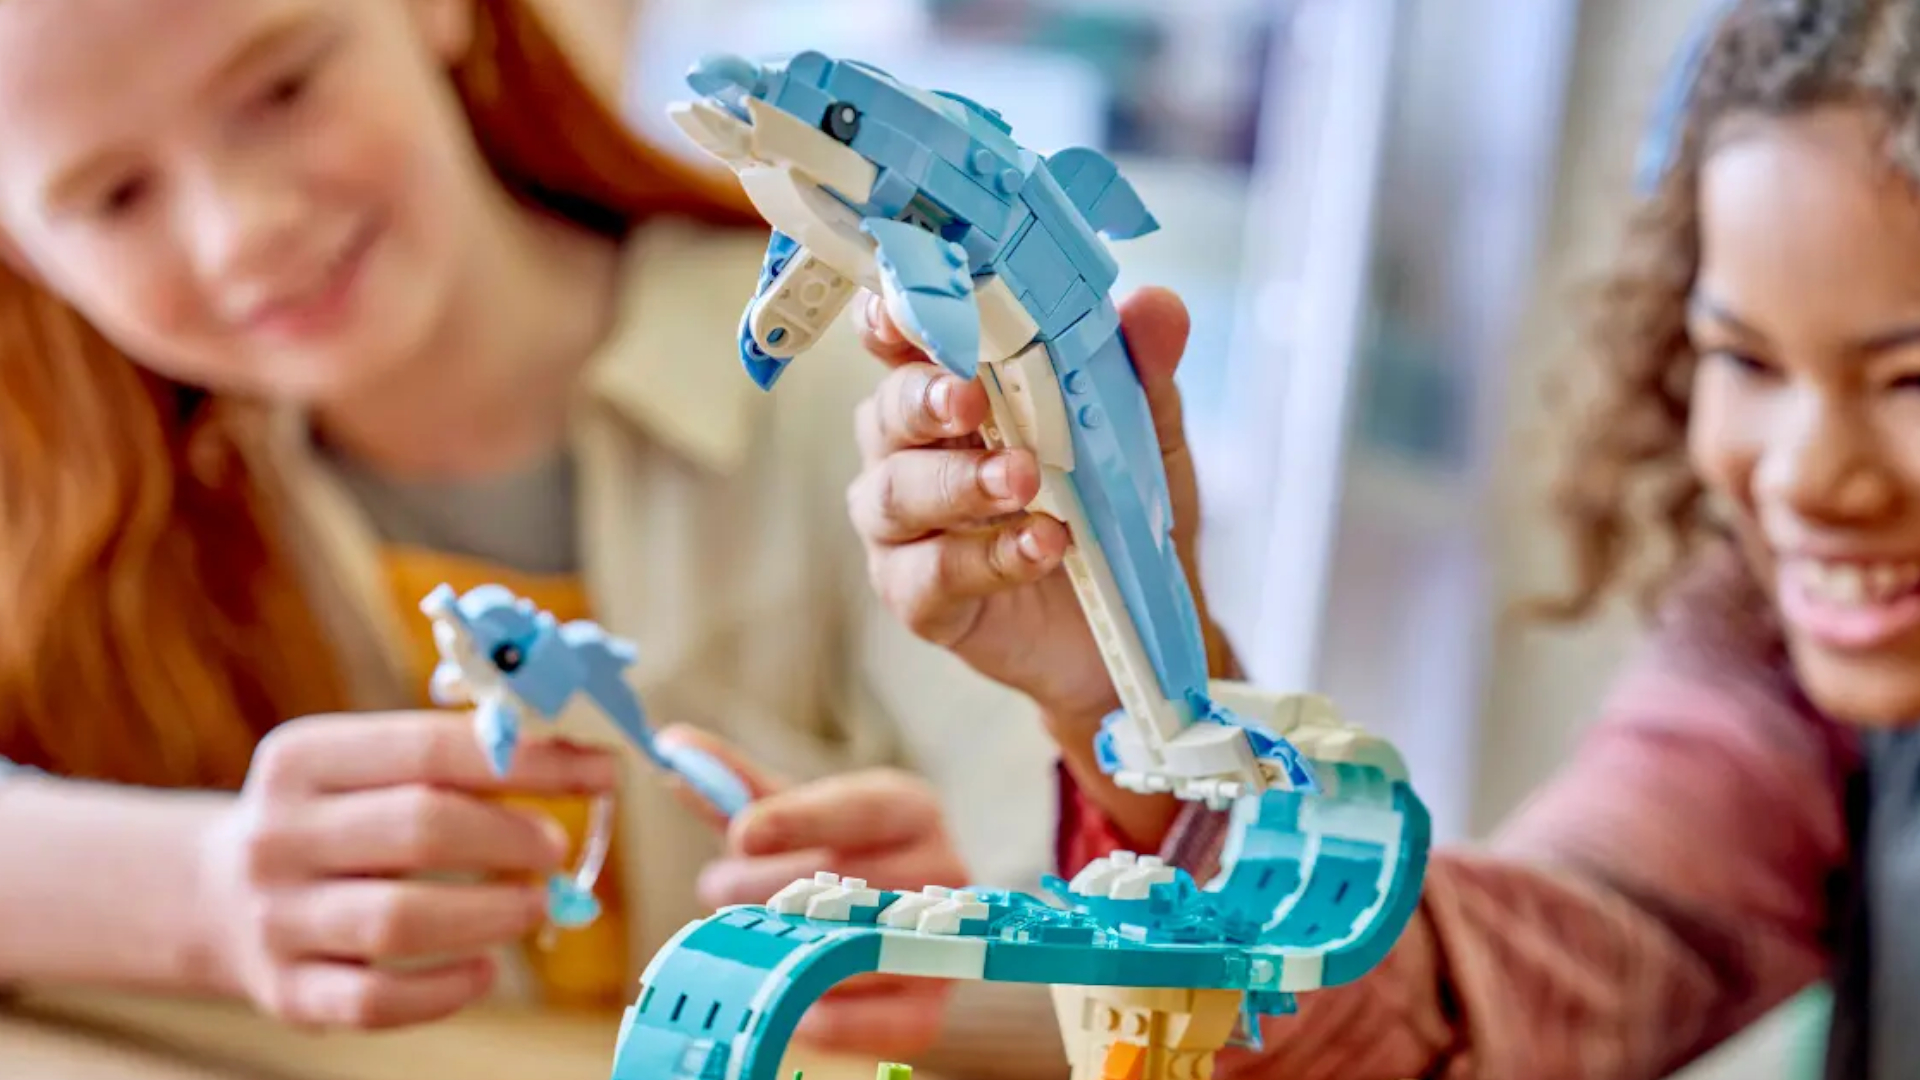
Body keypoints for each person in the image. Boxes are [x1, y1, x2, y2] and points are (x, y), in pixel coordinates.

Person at [847, 1, 1920, 1077]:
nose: (1805, 475)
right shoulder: (1780, 676)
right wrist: (1137, 688)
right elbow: (1478, 998)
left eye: (1908, 377)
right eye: (1745, 360)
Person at [0, 0, 1067, 1072]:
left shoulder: (875, 388)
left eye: (283, 88)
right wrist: (201, 890)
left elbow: (1156, 919)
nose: (245, 225)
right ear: (21, 246)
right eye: (114, 195)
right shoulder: (72, 515)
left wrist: (948, 952)